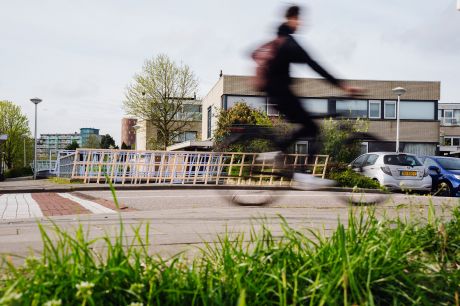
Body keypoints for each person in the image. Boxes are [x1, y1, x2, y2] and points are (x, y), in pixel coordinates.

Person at [260, 5, 361, 188]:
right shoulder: (289, 43)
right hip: (281, 93)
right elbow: (314, 65)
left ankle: (277, 151)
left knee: (307, 125)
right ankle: (303, 175)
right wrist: (343, 86)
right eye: (298, 18)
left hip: (275, 93)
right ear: (291, 18)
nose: (300, 23)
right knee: (313, 128)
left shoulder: (279, 41)